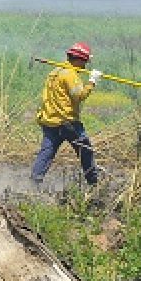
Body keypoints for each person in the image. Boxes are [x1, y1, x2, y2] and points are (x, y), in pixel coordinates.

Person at [30, 42, 102, 186]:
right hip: (67, 123)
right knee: (85, 150)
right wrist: (92, 81)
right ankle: (94, 183)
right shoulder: (70, 74)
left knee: (46, 153)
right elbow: (79, 95)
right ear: (79, 59)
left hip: (49, 121)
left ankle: (34, 183)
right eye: (85, 61)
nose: (85, 65)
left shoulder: (55, 72)